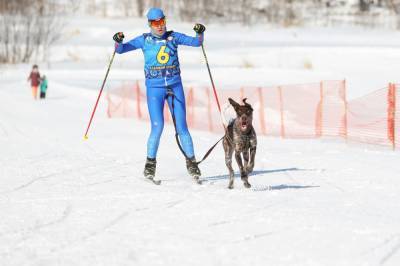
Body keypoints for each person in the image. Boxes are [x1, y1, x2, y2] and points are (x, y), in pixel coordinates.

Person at [113, 7, 206, 182]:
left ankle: (192, 164)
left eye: (162, 22)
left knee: (182, 127)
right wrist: (118, 41)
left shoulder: (174, 37)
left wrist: (200, 33)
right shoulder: (144, 40)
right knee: (158, 126)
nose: (160, 26)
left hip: (175, 87)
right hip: (155, 90)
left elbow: (196, 43)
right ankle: (150, 166)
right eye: (156, 23)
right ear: (150, 24)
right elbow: (120, 50)